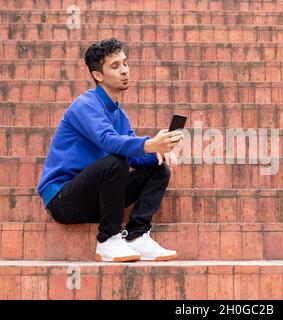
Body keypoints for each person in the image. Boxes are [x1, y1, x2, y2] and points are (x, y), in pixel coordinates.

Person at [37, 38, 184, 262]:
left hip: (97, 200)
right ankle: (107, 240)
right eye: (115, 67)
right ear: (98, 75)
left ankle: (137, 235)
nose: (124, 71)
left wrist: (157, 153)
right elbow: (109, 141)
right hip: (63, 199)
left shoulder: (118, 114)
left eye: (124, 63)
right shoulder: (85, 105)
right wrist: (149, 144)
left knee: (159, 168)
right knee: (116, 162)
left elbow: (134, 154)